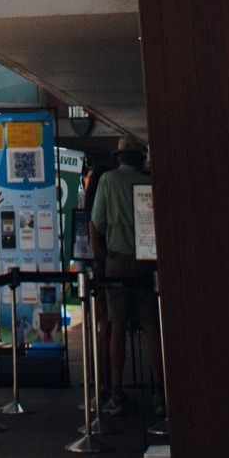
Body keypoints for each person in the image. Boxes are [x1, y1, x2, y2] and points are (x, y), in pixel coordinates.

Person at [89, 140, 151, 411]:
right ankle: (161, 392)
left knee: (116, 326)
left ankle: (115, 390)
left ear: (119, 157)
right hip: (147, 260)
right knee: (151, 327)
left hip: (116, 262)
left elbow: (95, 223)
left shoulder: (108, 181)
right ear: (140, 158)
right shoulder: (149, 183)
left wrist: (102, 257)